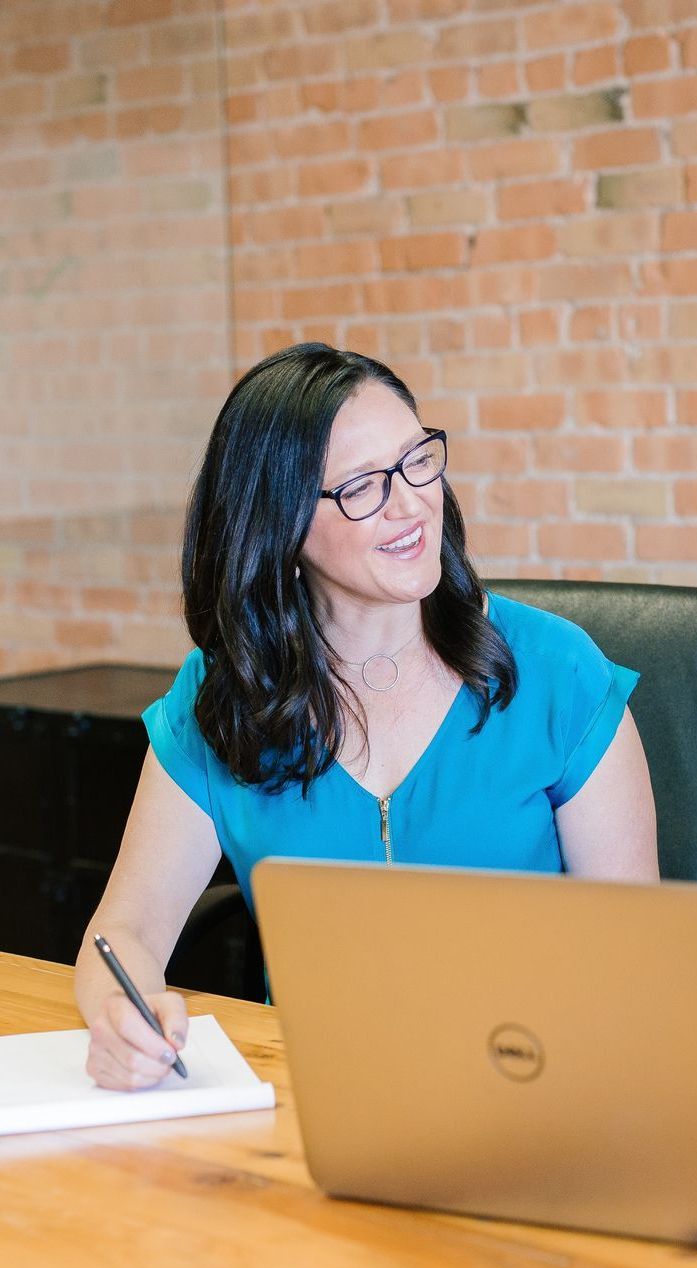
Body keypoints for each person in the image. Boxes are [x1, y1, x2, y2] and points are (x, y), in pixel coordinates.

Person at [76, 343, 657, 1090]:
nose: (412, 502)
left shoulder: (557, 672)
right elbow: (122, 932)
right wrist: (119, 1019)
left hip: (538, 1086)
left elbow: (637, 956)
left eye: (419, 461)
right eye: (361, 487)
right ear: (280, 527)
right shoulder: (223, 699)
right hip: (318, 1099)